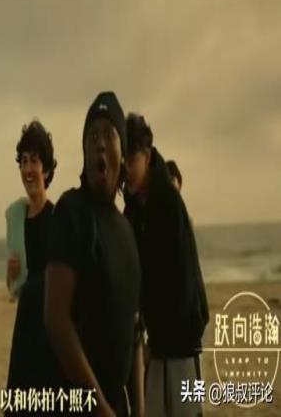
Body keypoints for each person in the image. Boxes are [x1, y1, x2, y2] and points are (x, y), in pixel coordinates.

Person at [45, 92, 143, 417]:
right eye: (92, 136)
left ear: (122, 153)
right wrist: (100, 407)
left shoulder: (127, 230)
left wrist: (140, 409)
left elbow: (134, 330)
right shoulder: (71, 212)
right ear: (85, 154)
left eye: (109, 134)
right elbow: (56, 320)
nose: (100, 143)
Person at [124, 113, 209, 417]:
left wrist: (156, 337)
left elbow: (182, 282)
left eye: (131, 159)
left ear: (146, 155)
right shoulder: (133, 208)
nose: (126, 168)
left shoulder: (169, 204)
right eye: (123, 160)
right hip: (157, 342)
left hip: (184, 340)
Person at [4, 120, 60, 415]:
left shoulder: (58, 219)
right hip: (25, 327)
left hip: (50, 330)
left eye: (34, 161)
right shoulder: (17, 219)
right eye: (23, 161)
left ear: (47, 170)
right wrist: (11, 275)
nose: (28, 169)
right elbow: (14, 287)